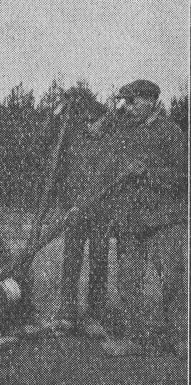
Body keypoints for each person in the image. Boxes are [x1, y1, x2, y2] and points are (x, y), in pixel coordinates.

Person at [101, 79, 188, 356]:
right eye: (125, 101)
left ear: (151, 101)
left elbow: (183, 178)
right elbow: (114, 174)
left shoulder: (170, 132)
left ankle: (180, 338)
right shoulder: (125, 132)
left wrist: (147, 172)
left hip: (164, 219)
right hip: (131, 219)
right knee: (127, 280)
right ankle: (134, 338)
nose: (128, 107)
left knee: (172, 278)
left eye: (134, 101)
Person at [52, 91, 114, 338]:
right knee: (71, 261)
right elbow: (64, 175)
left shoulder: (110, 143)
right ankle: (67, 313)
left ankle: (94, 316)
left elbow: (106, 179)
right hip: (75, 212)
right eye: (94, 121)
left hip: (99, 213)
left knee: (99, 262)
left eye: (100, 121)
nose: (97, 125)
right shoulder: (72, 141)